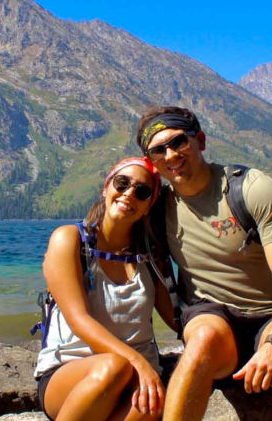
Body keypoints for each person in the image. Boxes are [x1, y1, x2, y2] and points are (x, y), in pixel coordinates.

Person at [136, 106, 272, 421]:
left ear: (199, 140)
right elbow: (145, 268)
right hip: (212, 314)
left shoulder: (251, 188)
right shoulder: (158, 210)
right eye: (158, 151)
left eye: (179, 142)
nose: (171, 155)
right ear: (152, 161)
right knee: (200, 343)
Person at [34, 157, 177, 421]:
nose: (129, 194)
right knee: (114, 367)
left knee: (152, 402)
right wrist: (138, 363)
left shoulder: (151, 254)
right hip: (73, 372)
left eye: (142, 191)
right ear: (106, 187)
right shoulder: (70, 240)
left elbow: (177, 318)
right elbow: (79, 321)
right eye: (122, 183)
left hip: (139, 379)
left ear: (148, 206)